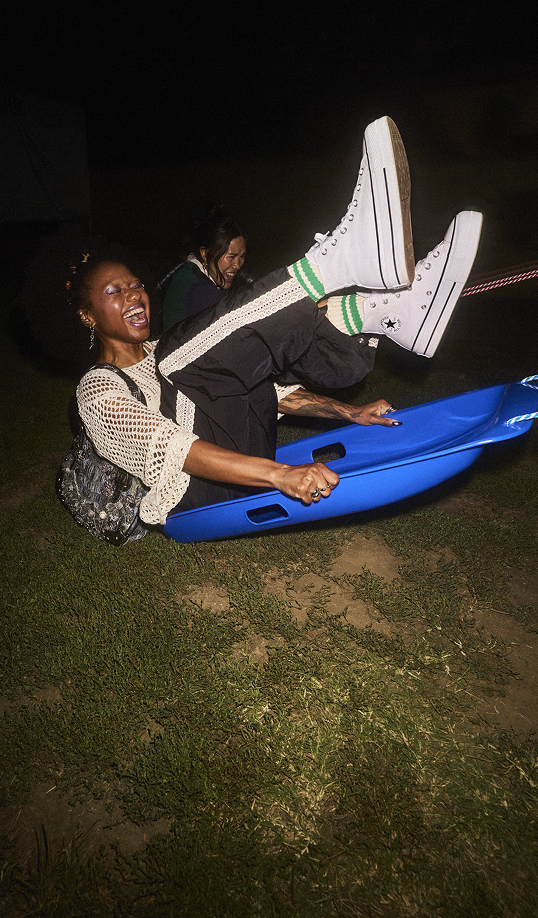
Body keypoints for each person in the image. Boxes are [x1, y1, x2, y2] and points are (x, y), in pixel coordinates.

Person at [73, 116, 483, 533]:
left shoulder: (170, 351)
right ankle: (339, 265)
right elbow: (172, 449)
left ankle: (388, 316)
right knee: (177, 356)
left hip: (241, 463)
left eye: (136, 285)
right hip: (195, 494)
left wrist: (349, 412)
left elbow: (274, 393)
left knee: (209, 355)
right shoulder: (96, 388)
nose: (135, 295)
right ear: (87, 315)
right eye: (114, 292)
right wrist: (279, 474)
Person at [160, 206, 254, 330]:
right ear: (205, 253)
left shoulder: (188, 272)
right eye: (231, 257)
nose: (237, 265)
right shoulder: (201, 291)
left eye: (242, 257)